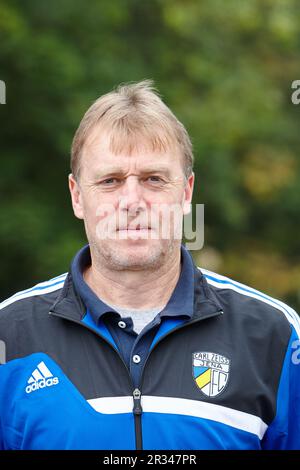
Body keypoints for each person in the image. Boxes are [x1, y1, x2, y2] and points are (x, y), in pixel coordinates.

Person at [0, 80, 299, 451]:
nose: (132, 201)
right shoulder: (9, 336)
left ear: (186, 192)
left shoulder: (277, 336)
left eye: (153, 179)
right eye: (110, 181)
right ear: (78, 196)